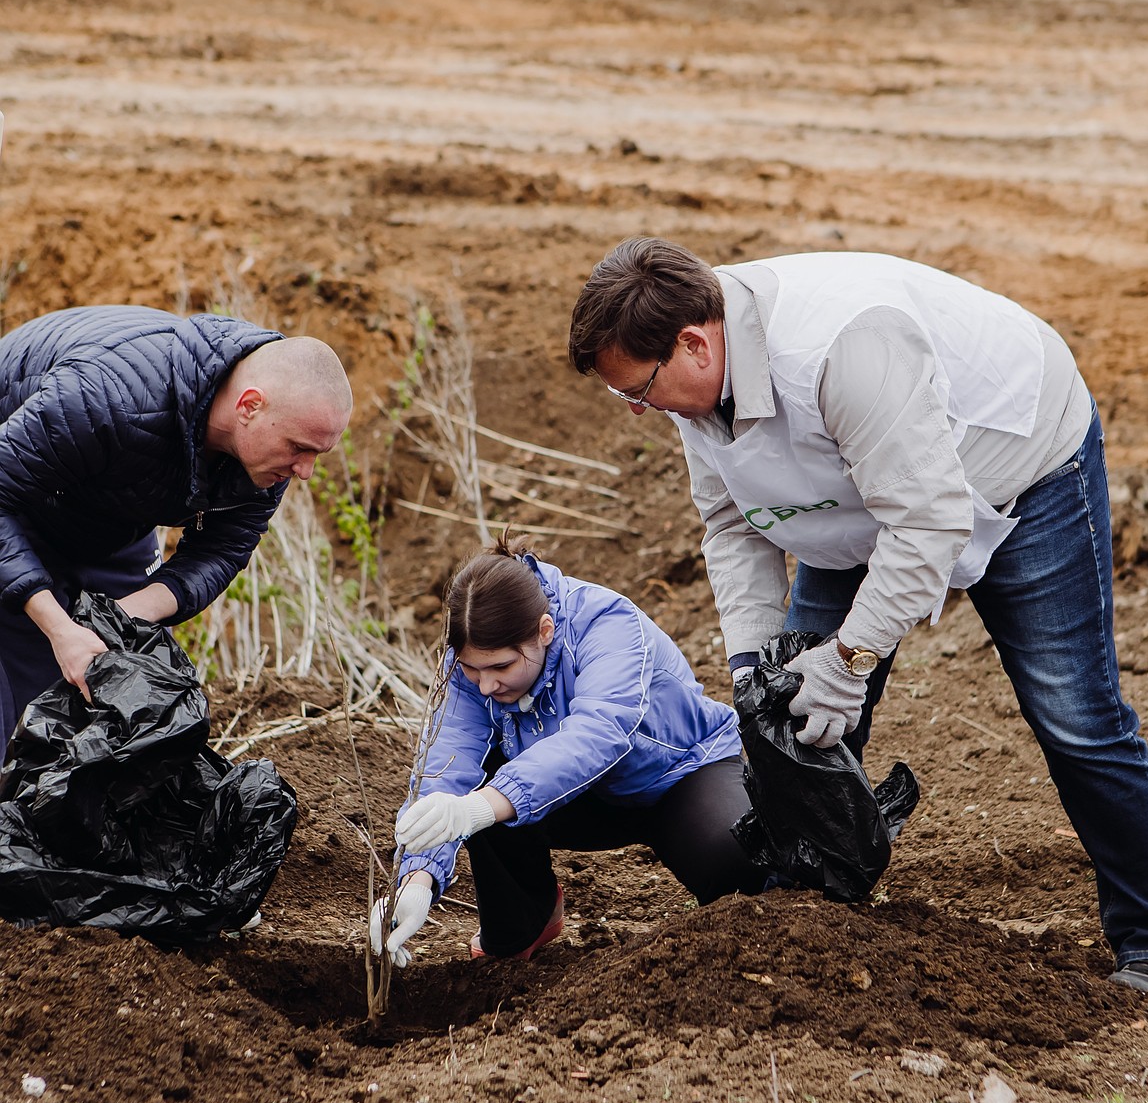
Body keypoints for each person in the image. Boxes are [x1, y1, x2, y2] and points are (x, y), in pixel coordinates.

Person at [567, 236, 1148, 1005]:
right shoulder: (694, 374)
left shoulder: (842, 350)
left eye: (640, 389)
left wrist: (849, 660)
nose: (636, 410)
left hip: (1017, 467)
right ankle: (806, 917)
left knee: (1074, 716)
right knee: (792, 720)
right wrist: (753, 667)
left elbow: (928, 523)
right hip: (857, 493)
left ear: (694, 342)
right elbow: (733, 526)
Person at [369, 533, 767, 967]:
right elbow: (445, 764)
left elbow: (600, 733)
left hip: (677, 778)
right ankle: (524, 923)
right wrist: (416, 878)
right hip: (570, 798)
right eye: (471, 669)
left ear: (544, 631)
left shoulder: (607, 622)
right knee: (465, 788)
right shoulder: (470, 663)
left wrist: (480, 808)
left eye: (502, 666)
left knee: (739, 860)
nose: (485, 685)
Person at [0, 304, 353, 751]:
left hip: (113, 513)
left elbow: (223, 548)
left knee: (128, 686)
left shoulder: (269, 455)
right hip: (18, 503)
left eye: (317, 454)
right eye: (301, 449)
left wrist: (120, 620)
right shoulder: (109, 396)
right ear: (250, 406)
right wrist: (60, 628)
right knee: (35, 698)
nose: (306, 471)